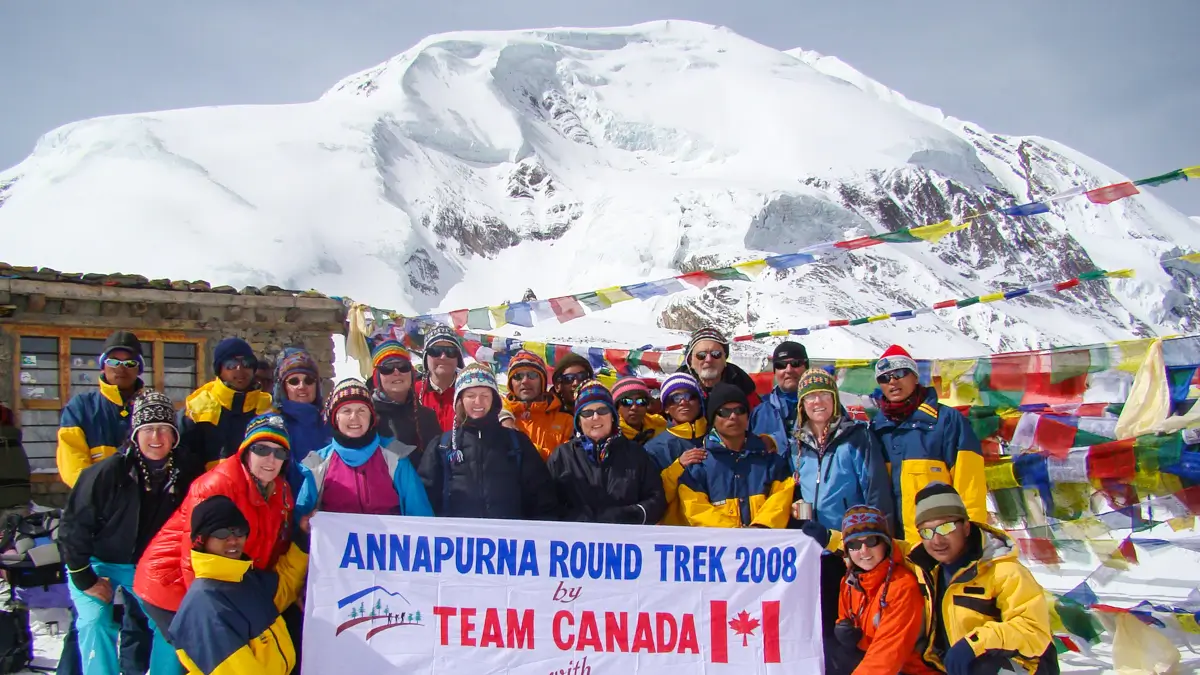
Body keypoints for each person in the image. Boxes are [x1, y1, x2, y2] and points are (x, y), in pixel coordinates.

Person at [59, 391, 204, 675]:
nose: (156, 437)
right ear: (136, 433)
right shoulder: (107, 473)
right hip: (97, 561)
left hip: (150, 565)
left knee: (171, 623)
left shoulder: (188, 471)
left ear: (175, 436)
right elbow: (73, 526)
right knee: (95, 621)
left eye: (165, 429)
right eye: (148, 429)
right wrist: (83, 576)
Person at [134, 414, 295, 631]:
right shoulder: (218, 485)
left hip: (225, 584)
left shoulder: (281, 491)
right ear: (246, 451)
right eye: (261, 450)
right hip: (173, 583)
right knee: (197, 655)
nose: (270, 459)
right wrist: (201, 609)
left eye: (279, 452)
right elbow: (193, 552)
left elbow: (274, 544)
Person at [55, 331, 151, 675]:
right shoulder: (83, 408)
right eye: (114, 361)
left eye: (129, 362)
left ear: (139, 368)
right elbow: (75, 471)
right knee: (91, 616)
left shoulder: (149, 406)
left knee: (143, 619)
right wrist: (112, 496)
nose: (121, 368)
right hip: (95, 532)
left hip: (140, 534)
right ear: (102, 365)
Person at [789, 368, 895, 647]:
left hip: (853, 549)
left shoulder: (858, 437)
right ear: (802, 404)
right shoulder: (796, 445)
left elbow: (875, 492)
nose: (817, 402)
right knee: (820, 623)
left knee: (852, 626)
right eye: (810, 397)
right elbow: (796, 492)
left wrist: (877, 542)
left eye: (824, 394)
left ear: (835, 399)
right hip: (815, 549)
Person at [908, 483, 1058, 675]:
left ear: (966, 527)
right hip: (952, 667)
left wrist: (975, 643)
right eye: (927, 532)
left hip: (1020, 667)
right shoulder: (926, 569)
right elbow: (877, 547)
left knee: (982, 668)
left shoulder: (1005, 571)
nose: (937, 540)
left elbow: (1033, 631)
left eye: (945, 528)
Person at [168, 496, 309, 675]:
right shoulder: (204, 608)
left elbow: (284, 588)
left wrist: (303, 538)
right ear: (202, 541)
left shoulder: (244, 580)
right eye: (221, 533)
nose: (233, 540)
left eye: (239, 531)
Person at [869, 345, 986, 544]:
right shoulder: (876, 430)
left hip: (939, 544)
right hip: (893, 547)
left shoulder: (948, 421)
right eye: (884, 377)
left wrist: (972, 538)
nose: (892, 381)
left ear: (915, 377)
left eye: (900, 373)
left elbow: (971, 488)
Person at [418, 364, 558, 520]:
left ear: (494, 399)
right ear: (460, 400)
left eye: (485, 395)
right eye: (470, 395)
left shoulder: (516, 443)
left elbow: (542, 497)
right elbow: (423, 500)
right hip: (457, 540)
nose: (478, 402)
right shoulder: (442, 446)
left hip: (509, 540)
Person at [300, 379, 433, 516]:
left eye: (361, 410)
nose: (354, 417)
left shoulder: (394, 458)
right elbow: (300, 515)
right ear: (335, 418)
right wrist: (304, 523)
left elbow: (420, 514)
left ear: (371, 417)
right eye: (346, 411)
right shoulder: (319, 464)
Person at [828, 506, 936, 675]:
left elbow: (886, 657)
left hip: (908, 669)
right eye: (855, 544)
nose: (864, 551)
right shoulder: (849, 583)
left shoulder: (902, 586)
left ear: (886, 544)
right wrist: (848, 634)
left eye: (871, 541)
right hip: (870, 661)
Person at [546, 380, 666, 524]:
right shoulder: (562, 456)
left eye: (602, 411)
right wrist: (578, 518)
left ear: (613, 417)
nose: (595, 417)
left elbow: (656, 499)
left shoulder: (636, 454)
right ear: (579, 421)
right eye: (587, 413)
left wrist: (626, 516)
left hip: (626, 541)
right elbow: (547, 503)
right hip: (576, 541)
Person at [677, 383, 792, 528]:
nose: (733, 416)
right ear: (713, 419)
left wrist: (760, 527)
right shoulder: (699, 463)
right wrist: (734, 533)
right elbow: (696, 510)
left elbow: (781, 500)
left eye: (740, 410)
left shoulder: (770, 460)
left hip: (764, 545)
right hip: (721, 547)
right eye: (724, 412)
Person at [179, 338, 274, 469]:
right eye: (231, 365)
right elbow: (184, 462)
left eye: (247, 363)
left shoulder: (268, 407)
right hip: (210, 487)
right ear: (220, 370)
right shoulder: (197, 409)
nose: (240, 369)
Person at [643, 373, 708, 525]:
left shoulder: (718, 438)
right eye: (675, 398)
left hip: (717, 530)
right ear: (666, 408)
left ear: (699, 402)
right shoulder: (654, 448)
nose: (684, 402)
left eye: (690, 396)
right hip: (675, 535)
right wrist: (678, 467)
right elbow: (651, 498)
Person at [272, 348, 330, 509]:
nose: (302, 386)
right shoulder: (273, 425)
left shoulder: (331, 424)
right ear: (283, 387)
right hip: (285, 512)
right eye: (294, 381)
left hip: (328, 515)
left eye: (309, 380)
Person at [368, 340, 440, 470]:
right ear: (377, 377)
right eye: (387, 368)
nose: (396, 372)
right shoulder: (367, 417)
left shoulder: (427, 417)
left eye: (403, 366)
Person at [502, 350, 573, 460]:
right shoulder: (498, 416)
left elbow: (567, 464)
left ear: (542, 381)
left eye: (532, 375)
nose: (525, 381)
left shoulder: (565, 421)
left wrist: (531, 450)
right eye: (518, 376)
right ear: (511, 383)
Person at [750, 341, 808, 459]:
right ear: (775, 372)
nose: (788, 370)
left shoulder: (822, 406)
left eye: (795, 363)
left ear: (806, 367)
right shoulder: (760, 409)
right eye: (781, 365)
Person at [678, 327, 761, 408]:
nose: (709, 359)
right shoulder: (676, 390)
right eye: (701, 355)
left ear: (725, 359)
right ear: (690, 361)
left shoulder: (742, 386)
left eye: (716, 354)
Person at [413, 324, 463, 432]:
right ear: (426, 357)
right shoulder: (412, 392)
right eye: (435, 351)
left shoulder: (469, 392)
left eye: (450, 352)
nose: (443, 357)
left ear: (458, 358)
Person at [611, 376, 666, 444]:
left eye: (641, 401)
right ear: (616, 406)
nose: (634, 407)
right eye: (626, 401)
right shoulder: (610, 434)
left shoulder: (660, 425)